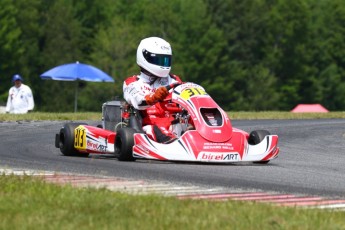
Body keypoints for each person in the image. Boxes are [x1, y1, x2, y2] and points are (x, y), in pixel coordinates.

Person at [123, 37, 183, 143]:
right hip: (148, 126)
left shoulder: (174, 80)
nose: (163, 64)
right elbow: (138, 102)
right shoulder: (133, 82)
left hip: (175, 124)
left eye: (166, 60)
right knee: (154, 129)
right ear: (145, 57)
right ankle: (172, 143)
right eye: (159, 60)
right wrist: (154, 97)